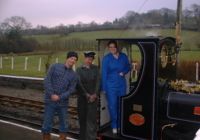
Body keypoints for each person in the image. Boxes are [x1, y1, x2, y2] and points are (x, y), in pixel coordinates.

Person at [42, 51, 78, 140]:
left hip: (63, 103)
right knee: (47, 124)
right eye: (72, 58)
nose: (73, 61)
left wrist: (60, 97)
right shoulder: (55, 66)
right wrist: (51, 94)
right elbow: (47, 80)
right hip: (50, 100)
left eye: (75, 60)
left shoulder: (74, 75)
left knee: (64, 125)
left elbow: (71, 90)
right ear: (67, 58)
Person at [101, 40, 131, 134]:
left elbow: (128, 66)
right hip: (111, 86)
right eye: (110, 47)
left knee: (121, 104)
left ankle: (121, 123)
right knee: (112, 106)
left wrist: (124, 72)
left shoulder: (123, 56)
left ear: (117, 47)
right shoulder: (106, 58)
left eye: (113, 47)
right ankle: (114, 125)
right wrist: (104, 88)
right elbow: (104, 74)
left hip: (121, 84)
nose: (112, 49)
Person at [76, 51, 100, 140]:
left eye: (91, 59)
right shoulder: (79, 70)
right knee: (82, 120)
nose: (89, 60)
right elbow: (79, 84)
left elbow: (98, 82)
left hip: (93, 100)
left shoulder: (96, 69)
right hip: (82, 99)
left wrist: (95, 94)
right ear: (84, 59)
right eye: (88, 59)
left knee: (91, 121)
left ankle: (91, 138)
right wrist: (86, 95)